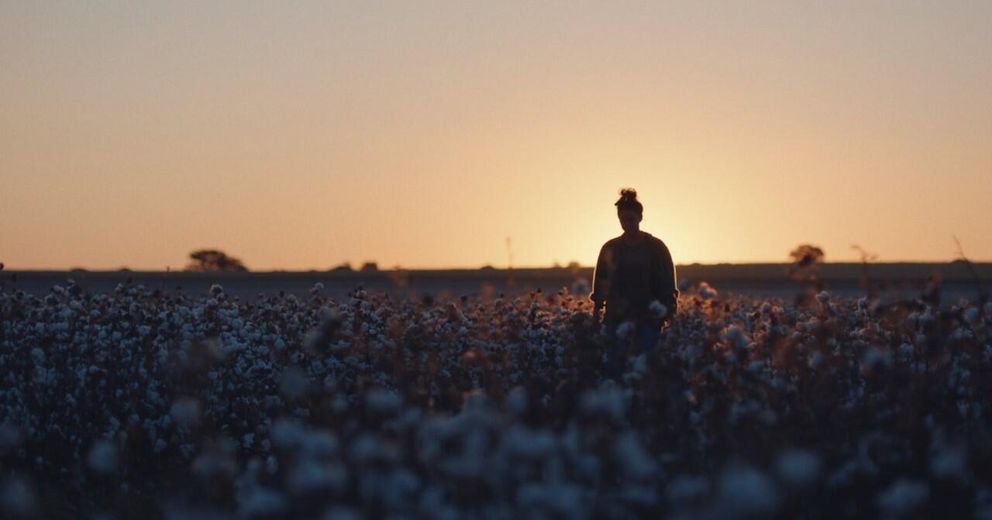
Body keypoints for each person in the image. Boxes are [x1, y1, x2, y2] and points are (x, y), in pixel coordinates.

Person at [590, 188, 678, 362]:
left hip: (648, 319)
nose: (628, 224)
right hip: (616, 318)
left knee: (644, 367)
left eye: (631, 219)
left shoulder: (656, 247)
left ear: (640, 218)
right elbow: (601, 282)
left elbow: (667, 283)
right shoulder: (610, 248)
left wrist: (669, 313)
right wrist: (596, 313)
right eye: (623, 220)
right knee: (615, 367)